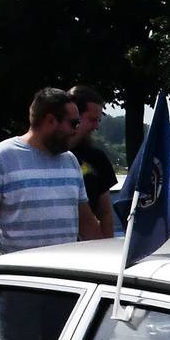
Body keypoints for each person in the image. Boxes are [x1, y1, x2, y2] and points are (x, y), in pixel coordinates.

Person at [0, 87, 103, 272]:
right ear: (50, 120)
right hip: (16, 283)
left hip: (66, 282)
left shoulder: (70, 161)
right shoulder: (0, 158)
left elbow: (86, 222)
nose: (76, 130)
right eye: (73, 123)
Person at [68, 85, 117, 237]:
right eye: (92, 120)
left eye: (98, 120)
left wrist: (108, 248)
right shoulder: (49, 155)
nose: (96, 126)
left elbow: (106, 213)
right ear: (73, 115)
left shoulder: (97, 158)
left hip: (86, 247)